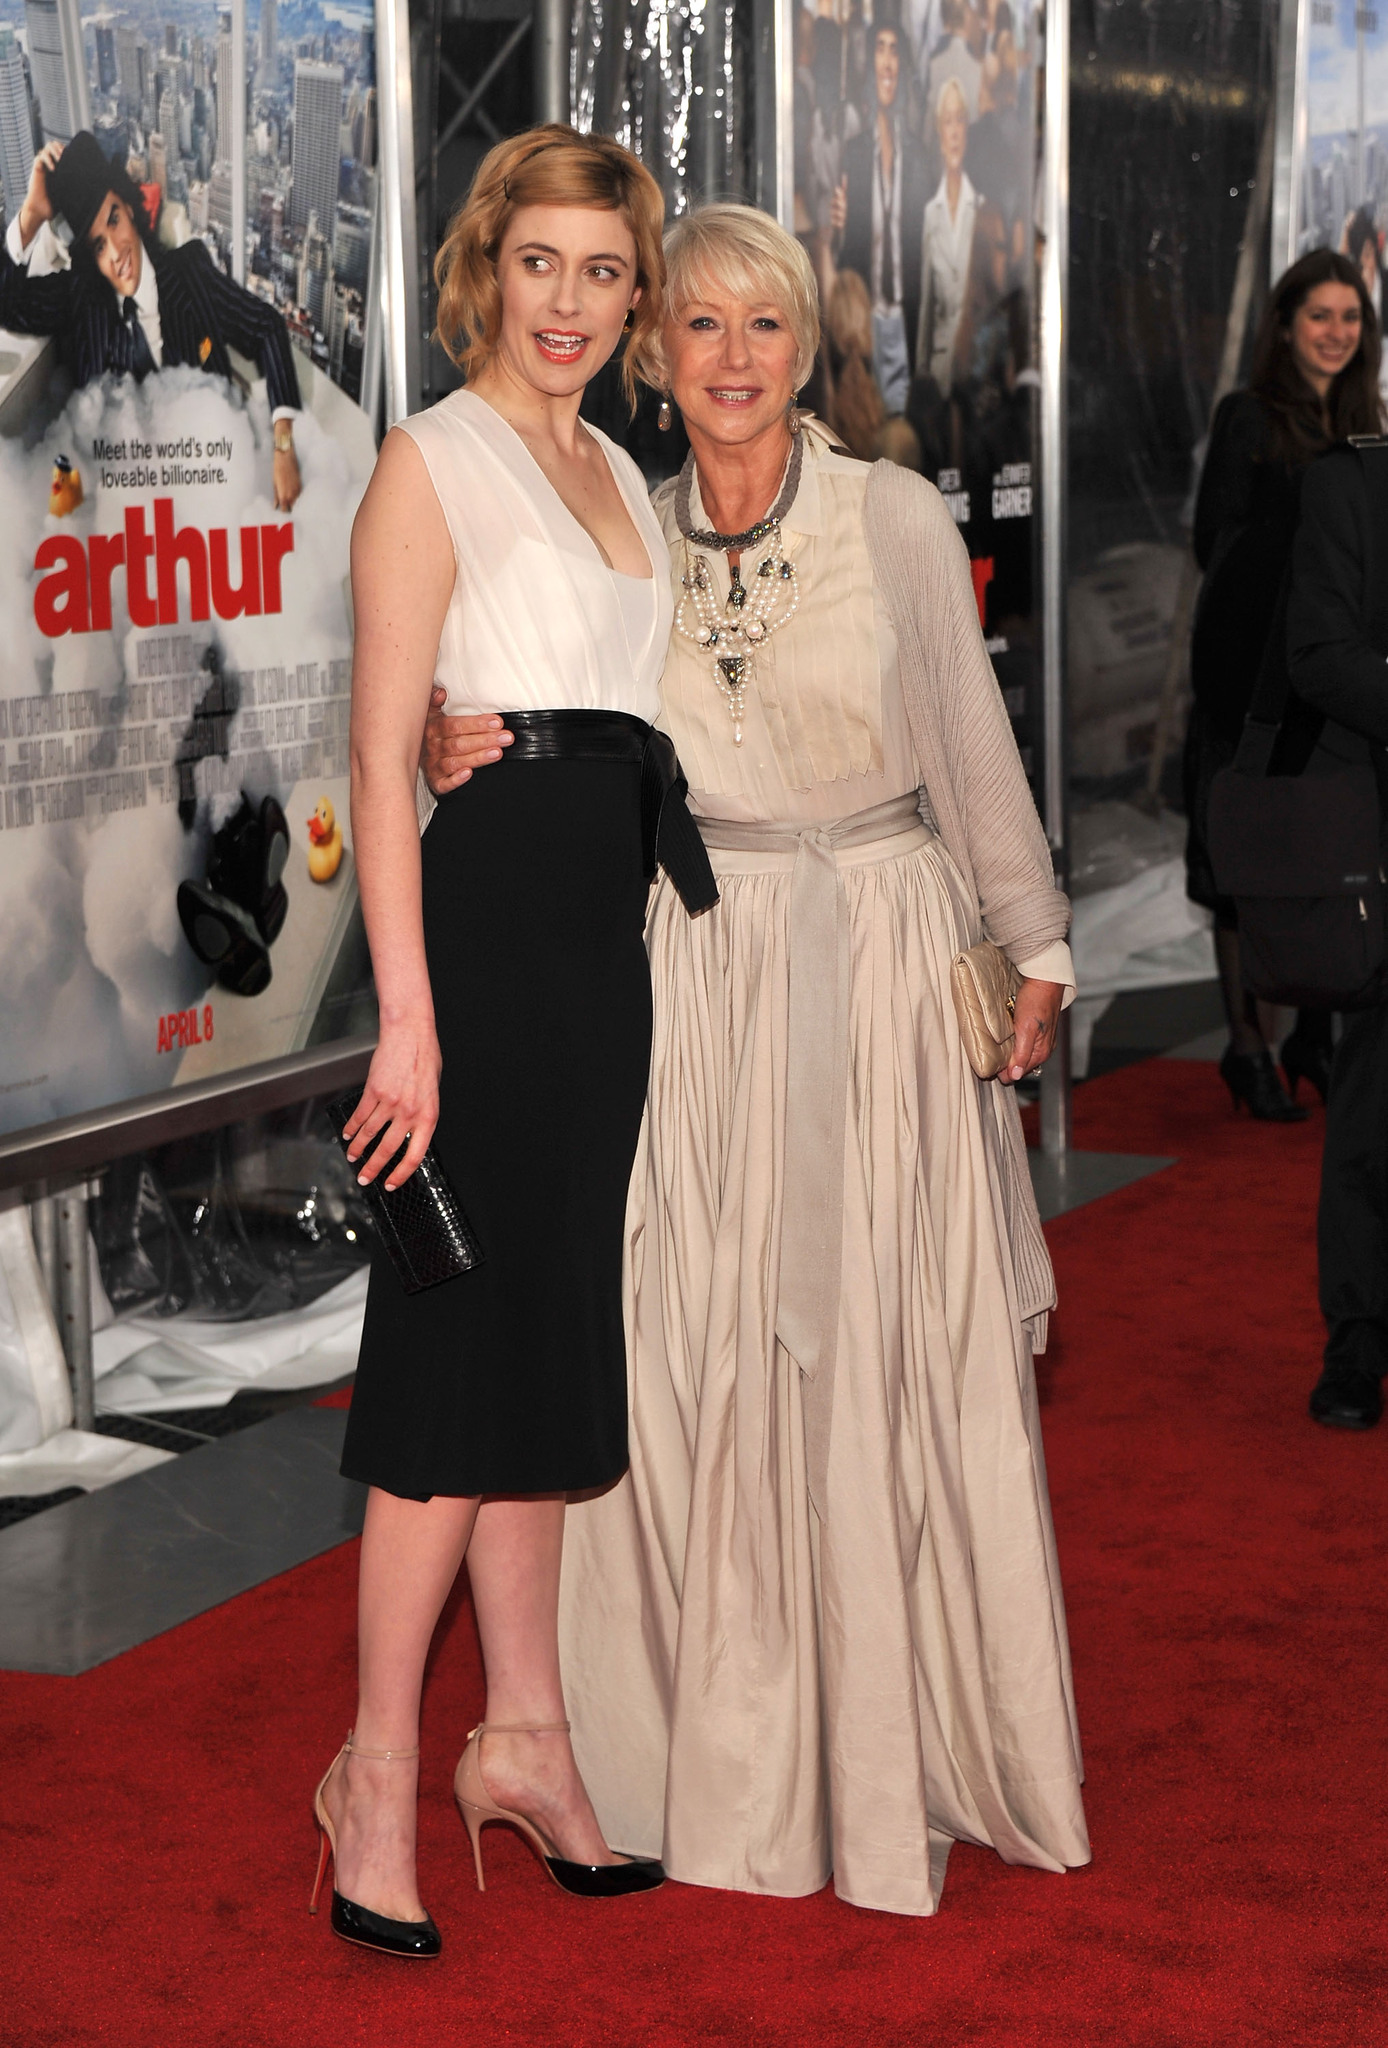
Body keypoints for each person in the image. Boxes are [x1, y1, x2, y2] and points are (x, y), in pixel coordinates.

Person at [425, 200, 1089, 1917]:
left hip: (873, 968)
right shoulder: (621, 539)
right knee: (695, 1358)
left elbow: (968, 742)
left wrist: (1038, 944)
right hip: (699, 989)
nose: (730, 359)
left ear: (808, 352)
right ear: (657, 352)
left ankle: (892, 1757)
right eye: (699, 327)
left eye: (765, 329)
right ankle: (688, 1755)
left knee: (873, 1351)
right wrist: (440, 737)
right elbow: (531, 717)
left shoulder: (894, 517)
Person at [311, 125, 719, 1957]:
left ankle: (527, 1738)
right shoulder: (429, 461)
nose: (570, 302)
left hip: (595, 971)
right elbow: (378, 758)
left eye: (604, 272)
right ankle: (373, 1771)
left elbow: (620, 724)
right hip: (471, 968)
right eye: (542, 263)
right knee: (448, 1378)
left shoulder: (623, 470)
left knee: (545, 1354)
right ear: (486, 267)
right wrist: (406, 1024)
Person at [1183, 250, 1382, 1118]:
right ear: (1287, 326)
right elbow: (1212, 549)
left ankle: (1313, 1033)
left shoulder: (1367, 420)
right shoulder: (1249, 418)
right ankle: (1246, 1044)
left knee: (1329, 852)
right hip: (1253, 679)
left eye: (1351, 317)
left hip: (1335, 686)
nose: (1337, 332)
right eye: (1320, 316)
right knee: (1247, 857)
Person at [0, 134, 303, 510]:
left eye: (113, 221)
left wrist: (283, 446)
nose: (115, 253)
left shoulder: (190, 271)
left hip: (214, 482)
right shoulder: (80, 300)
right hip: (125, 512)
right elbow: (7, 304)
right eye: (97, 245)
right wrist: (31, 213)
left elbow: (266, 327)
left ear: (128, 207)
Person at [1287, 441, 1388, 1430]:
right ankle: (1357, 1342)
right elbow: (1316, 653)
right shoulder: (1350, 481)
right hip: (1380, 852)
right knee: (1371, 1112)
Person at [832, 14, 930, 413]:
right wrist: (835, 227)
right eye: (879, 49)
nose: (887, 62)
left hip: (907, 315)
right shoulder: (852, 152)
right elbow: (839, 249)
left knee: (906, 435)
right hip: (862, 316)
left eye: (894, 51)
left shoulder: (921, 158)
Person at [918, 76, 982, 394]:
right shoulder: (931, 214)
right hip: (940, 378)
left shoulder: (983, 211)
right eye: (947, 121)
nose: (954, 131)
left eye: (960, 120)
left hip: (977, 376)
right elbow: (926, 312)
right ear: (939, 133)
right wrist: (922, 378)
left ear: (967, 130)